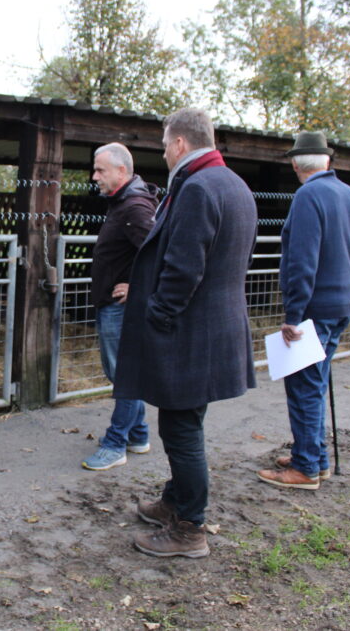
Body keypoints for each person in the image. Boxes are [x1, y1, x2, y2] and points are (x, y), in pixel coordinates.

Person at [114, 107, 258, 558]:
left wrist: (158, 313)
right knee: (187, 421)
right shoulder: (233, 185)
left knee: (180, 428)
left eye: (163, 145)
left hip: (189, 332)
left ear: (179, 144)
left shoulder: (197, 188)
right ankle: (174, 502)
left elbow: (184, 268)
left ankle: (190, 528)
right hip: (215, 329)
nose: (163, 153)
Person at [257, 131, 350, 490]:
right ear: (327, 160)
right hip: (341, 306)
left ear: (295, 164)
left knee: (304, 386)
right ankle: (314, 456)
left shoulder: (308, 196)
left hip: (312, 311)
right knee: (315, 382)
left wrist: (292, 316)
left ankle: (305, 468)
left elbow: (301, 263)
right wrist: (347, 291)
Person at [82, 143, 158, 470]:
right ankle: (138, 434)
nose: (94, 176)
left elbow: (161, 252)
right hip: (113, 304)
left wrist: (140, 287)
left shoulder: (134, 207)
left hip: (121, 307)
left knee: (124, 376)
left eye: (100, 170)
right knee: (121, 373)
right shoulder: (123, 202)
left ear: (121, 171)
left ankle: (116, 444)